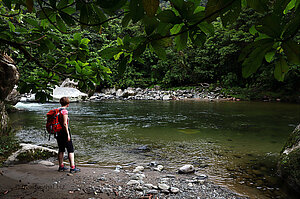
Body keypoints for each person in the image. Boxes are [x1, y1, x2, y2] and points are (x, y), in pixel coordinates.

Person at [56, 97, 80, 173]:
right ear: (68, 104)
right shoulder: (64, 111)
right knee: (70, 149)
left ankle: (61, 166)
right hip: (64, 132)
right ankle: (72, 167)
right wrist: (68, 134)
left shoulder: (57, 111)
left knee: (61, 149)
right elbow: (65, 123)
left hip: (58, 132)